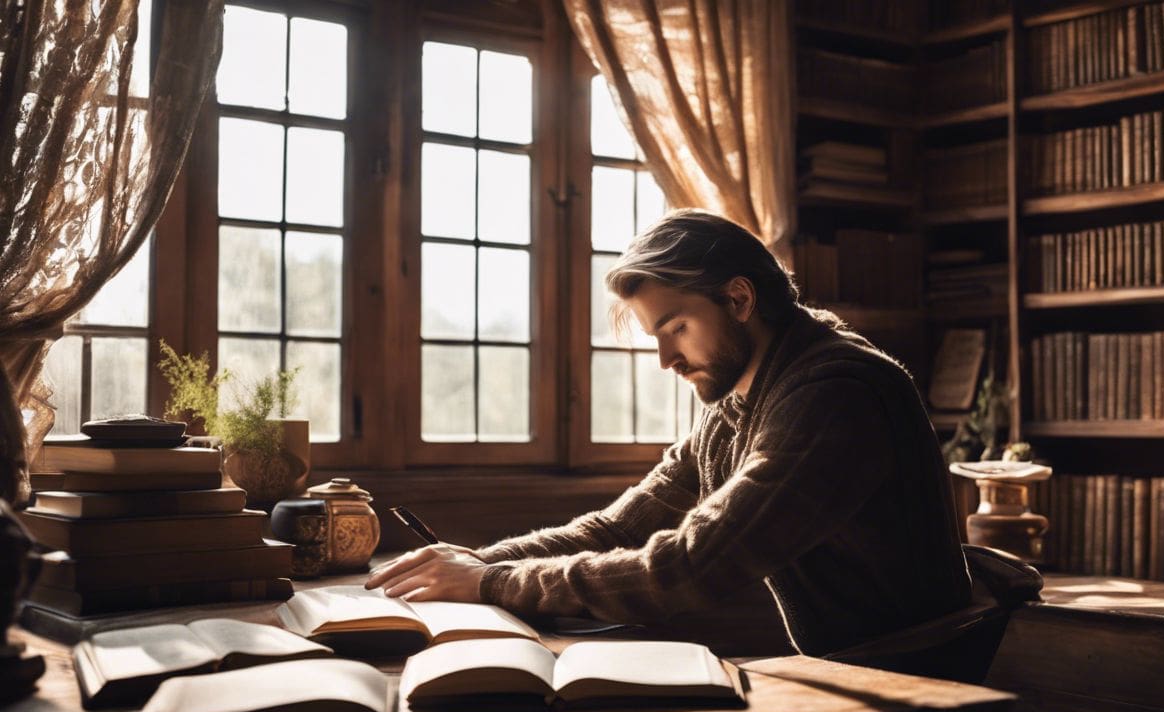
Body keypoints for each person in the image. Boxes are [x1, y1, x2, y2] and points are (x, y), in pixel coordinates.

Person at [367, 209, 971, 657]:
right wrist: (470, 562)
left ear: (738, 298)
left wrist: (493, 582)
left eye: (676, 329)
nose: (665, 360)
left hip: (913, 681)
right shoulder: (739, 393)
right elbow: (618, 527)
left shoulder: (835, 394)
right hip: (849, 671)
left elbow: (690, 566)